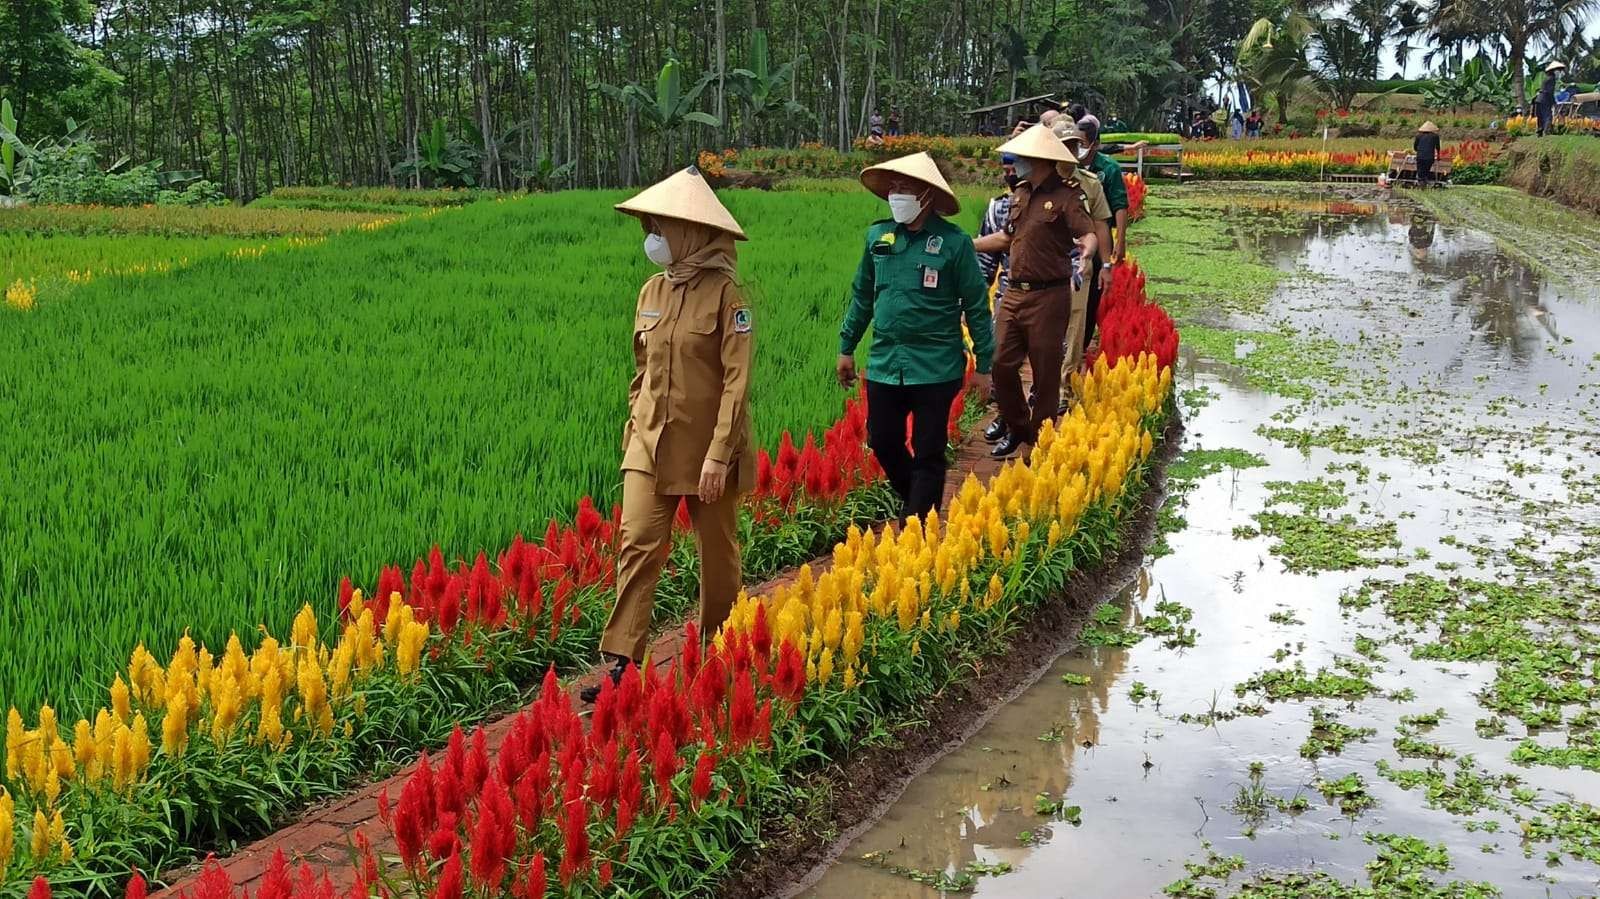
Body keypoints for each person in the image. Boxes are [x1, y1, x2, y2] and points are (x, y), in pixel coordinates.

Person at [584, 166, 754, 702]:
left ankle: (719, 651)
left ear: (690, 232)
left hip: (708, 451)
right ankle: (621, 662)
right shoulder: (651, 290)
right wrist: (634, 423)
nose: (653, 239)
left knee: (716, 551)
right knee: (636, 541)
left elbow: (736, 381)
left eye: (661, 227)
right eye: (650, 227)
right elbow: (641, 368)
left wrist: (719, 454)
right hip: (650, 443)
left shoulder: (729, 294)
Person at [838, 152, 995, 522]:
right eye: (893, 187)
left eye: (905, 188)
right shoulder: (878, 237)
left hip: (936, 366)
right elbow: (862, 295)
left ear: (926, 195)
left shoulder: (954, 243)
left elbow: (976, 306)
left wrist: (985, 367)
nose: (896, 194)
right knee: (884, 440)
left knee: (929, 450)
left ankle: (917, 526)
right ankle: (917, 506)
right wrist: (847, 346)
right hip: (884, 363)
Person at [972, 124, 1101, 460]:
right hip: (1014, 293)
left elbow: (1087, 234)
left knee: (1045, 376)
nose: (1017, 163)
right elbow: (1005, 237)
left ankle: (1037, 444)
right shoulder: (1021, 193)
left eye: (1024, 157)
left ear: (1040, 160)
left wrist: (1087, 252)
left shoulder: (1067, 196)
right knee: (1000, 363)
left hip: (1049, 296)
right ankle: (1020, 428)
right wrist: (966, 245)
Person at [1072, 117, 1129, 361]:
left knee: (1090, 296)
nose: (1077, 149)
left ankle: (1080, 346)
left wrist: (1121, 241)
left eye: (1081, 143)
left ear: (1094, 144)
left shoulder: (1107, 170)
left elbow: (1119, 207)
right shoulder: (1060, 168)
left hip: (1097, 238)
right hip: (1069, 243)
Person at [978, 153, 1020, 296]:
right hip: (1008, 291)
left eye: (1016, 171)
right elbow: (985, 261)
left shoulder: (1052, 204)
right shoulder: (999, 208)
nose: (1011, 176)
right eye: (1007, 171)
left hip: (1046, 293)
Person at [1536, 61, 1565, 136]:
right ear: (1554, 71)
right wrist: (1553, 102)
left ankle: (1540, 131)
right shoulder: (1552, 79)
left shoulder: (1547, 78)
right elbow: (1549, 92)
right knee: (1548, 115)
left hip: (1539, 98)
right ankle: (1547, 131)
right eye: (1559, 71)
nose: (1559, 72)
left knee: (1541, 116)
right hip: (1545, 99)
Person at [1413, 121, 1440, 187]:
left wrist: (1418, 151)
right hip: (1430, 157)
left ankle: (1421, 182)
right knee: (1426, 170)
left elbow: (1415, 147)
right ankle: (1423, 181)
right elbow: (1438, 147)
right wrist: (1438, 155)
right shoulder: (1435, 136)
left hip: (1420, 156)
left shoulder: (1418, 136)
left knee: (1420, 170)